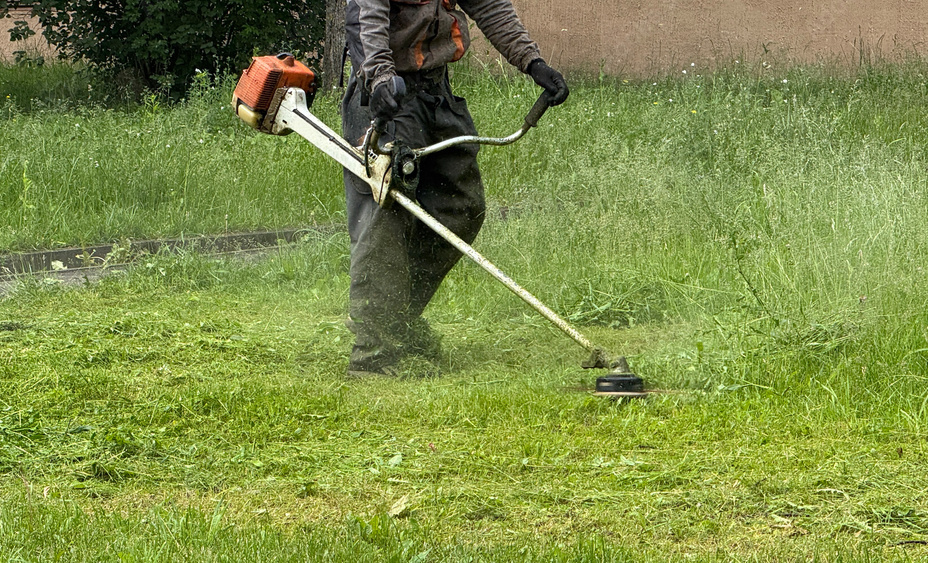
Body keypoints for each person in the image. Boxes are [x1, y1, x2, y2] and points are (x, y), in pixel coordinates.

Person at [342, 0, 569, 377]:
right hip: (385, 92)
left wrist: (533, 63)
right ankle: (372, 353)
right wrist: (379, 78)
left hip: (435, 91)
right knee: (390, 214)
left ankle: (396, 319)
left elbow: (490, 6)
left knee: (461, 206)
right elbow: (368, 16)